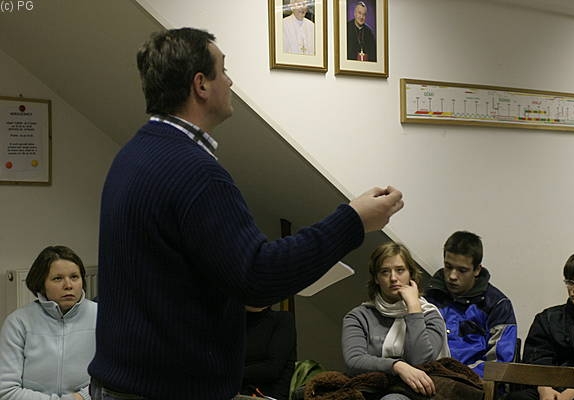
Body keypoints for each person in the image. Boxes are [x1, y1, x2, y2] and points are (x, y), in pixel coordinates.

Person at [87, 27, 404, 400]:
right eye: (223, 71)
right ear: (201, 84)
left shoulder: (134, 155)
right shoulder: (196, 172)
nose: (230, 81)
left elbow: (177, 272)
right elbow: (258, 275)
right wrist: (354, 220)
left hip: (124, 384)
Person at [342, 242, 450, 399]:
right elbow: (354, 360)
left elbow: (420, 362)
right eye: (385, 272)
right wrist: (397, 366)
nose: (393, 278)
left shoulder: (429, 315)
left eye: (400, 270)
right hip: (370, 390)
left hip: (417, 393)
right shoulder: (359, 316)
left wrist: (413, 308)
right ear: (376, 278)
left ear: (411, 275)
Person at [0, 245, 97, 400]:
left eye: (74, 277)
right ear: (41, 284)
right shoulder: (18, 323)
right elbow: (6, 390)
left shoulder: (101, 317)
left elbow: (112, 377)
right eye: (58, 278)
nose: (68, 285)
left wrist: (83, 397)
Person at [506, 249, 574, 400]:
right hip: (549, 388)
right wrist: (544, 388)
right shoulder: (548, 319)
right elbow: (536, 359)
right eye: (570, 282)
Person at [424, 230, 517, 377]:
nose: (452, 276)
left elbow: (499, 362)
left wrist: (461, 376)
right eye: (448, 267)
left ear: (477, 270)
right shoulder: (428, 296)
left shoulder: (498, 305)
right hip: (427, 377)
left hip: (472, 382)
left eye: (462, 270)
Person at [240, 306, 296, 400]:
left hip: (267, 395)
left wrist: (230, 374)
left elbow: (272, 369)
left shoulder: (282, 319)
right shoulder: (233, 324)